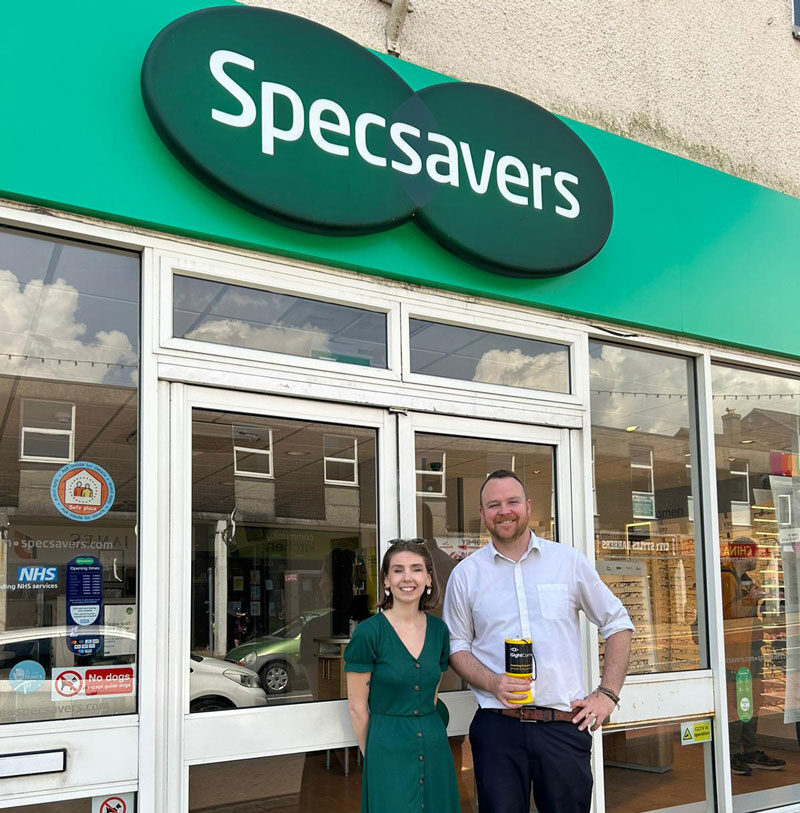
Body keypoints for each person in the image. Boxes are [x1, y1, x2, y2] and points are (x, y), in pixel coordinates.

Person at [443, 470, 634, 813]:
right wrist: (492, 681)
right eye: (494, 504)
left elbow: (617, 622)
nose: (504, 511)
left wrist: (607, 694)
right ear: (483, 513)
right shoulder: (466, 574)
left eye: (513, 502)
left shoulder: (568, 562)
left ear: (528, 506)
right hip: (498, 728)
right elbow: (457, 646)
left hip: (562, 727)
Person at [345, 539, 460, 813]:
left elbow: (430, 696)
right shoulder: (369, 633)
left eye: (416, 569)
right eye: (398, 570)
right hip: (387, 748)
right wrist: (373, 756)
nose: (407, 577)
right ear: (386, 580)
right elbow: (357, 707)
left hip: (434, 747)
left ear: (428, 578)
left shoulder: (439, 631)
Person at [721, 540, 786, 775]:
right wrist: (752, 598)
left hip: (749, 651)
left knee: (751, 703)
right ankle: (733, 754)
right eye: (755, 553)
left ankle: (748, 750)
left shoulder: (743, 579)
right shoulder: (726, 579)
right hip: (736, 654)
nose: (757, 558)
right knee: (738, 704)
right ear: (743, 554)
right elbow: (730, 615)